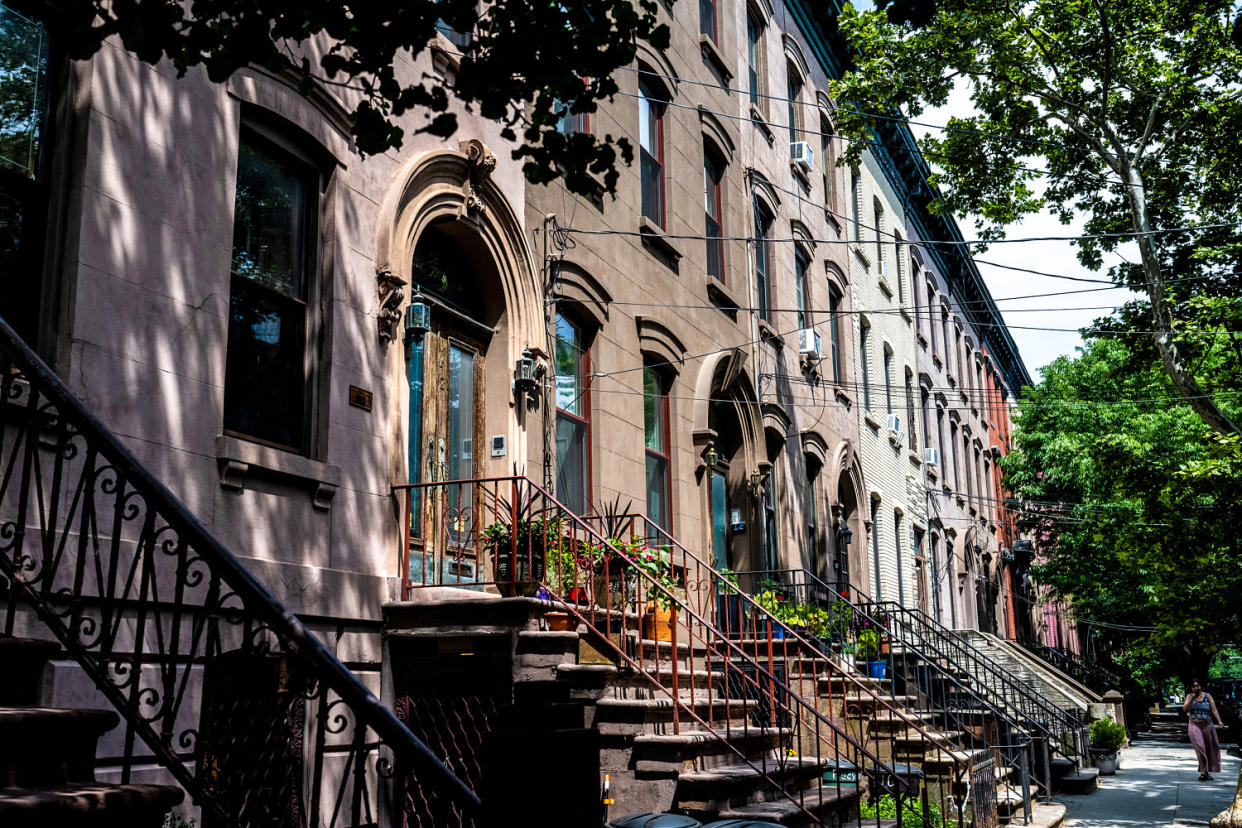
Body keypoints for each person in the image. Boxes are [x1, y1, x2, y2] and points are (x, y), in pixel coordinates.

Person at [1183, 679, 1224, 780]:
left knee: (1211, 749)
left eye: (1197, 686)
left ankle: (1207, 772)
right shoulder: (1189, 696)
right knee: (1200, 748)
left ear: (1201, 686)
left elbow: (1214, 709)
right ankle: (1203, 771)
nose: (1196, 688)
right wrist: (1191, 699)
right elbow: (1185, 709)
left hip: (1207, 725)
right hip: (1194, 725)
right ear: (1191, 688)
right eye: (1193, 686)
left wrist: (1219, 721)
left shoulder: (1208, 696)